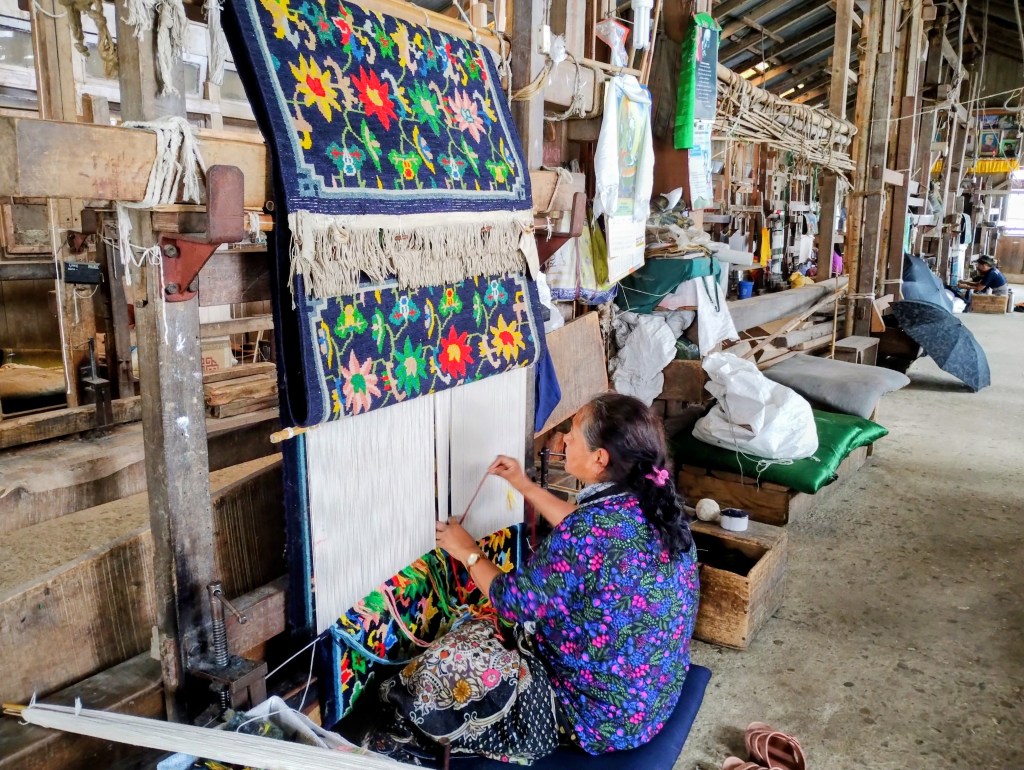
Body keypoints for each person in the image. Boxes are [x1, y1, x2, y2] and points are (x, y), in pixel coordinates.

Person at [436, 393, 699, 756]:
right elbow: (582, 530)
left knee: (448, 663)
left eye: (573, 433)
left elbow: (512, 603)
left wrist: (466, 549)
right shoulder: (658, 507)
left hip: (600, 719)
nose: (563, 440)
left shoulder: (588, 532)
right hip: (654, 698)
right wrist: (524, 485)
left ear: (599, 458)